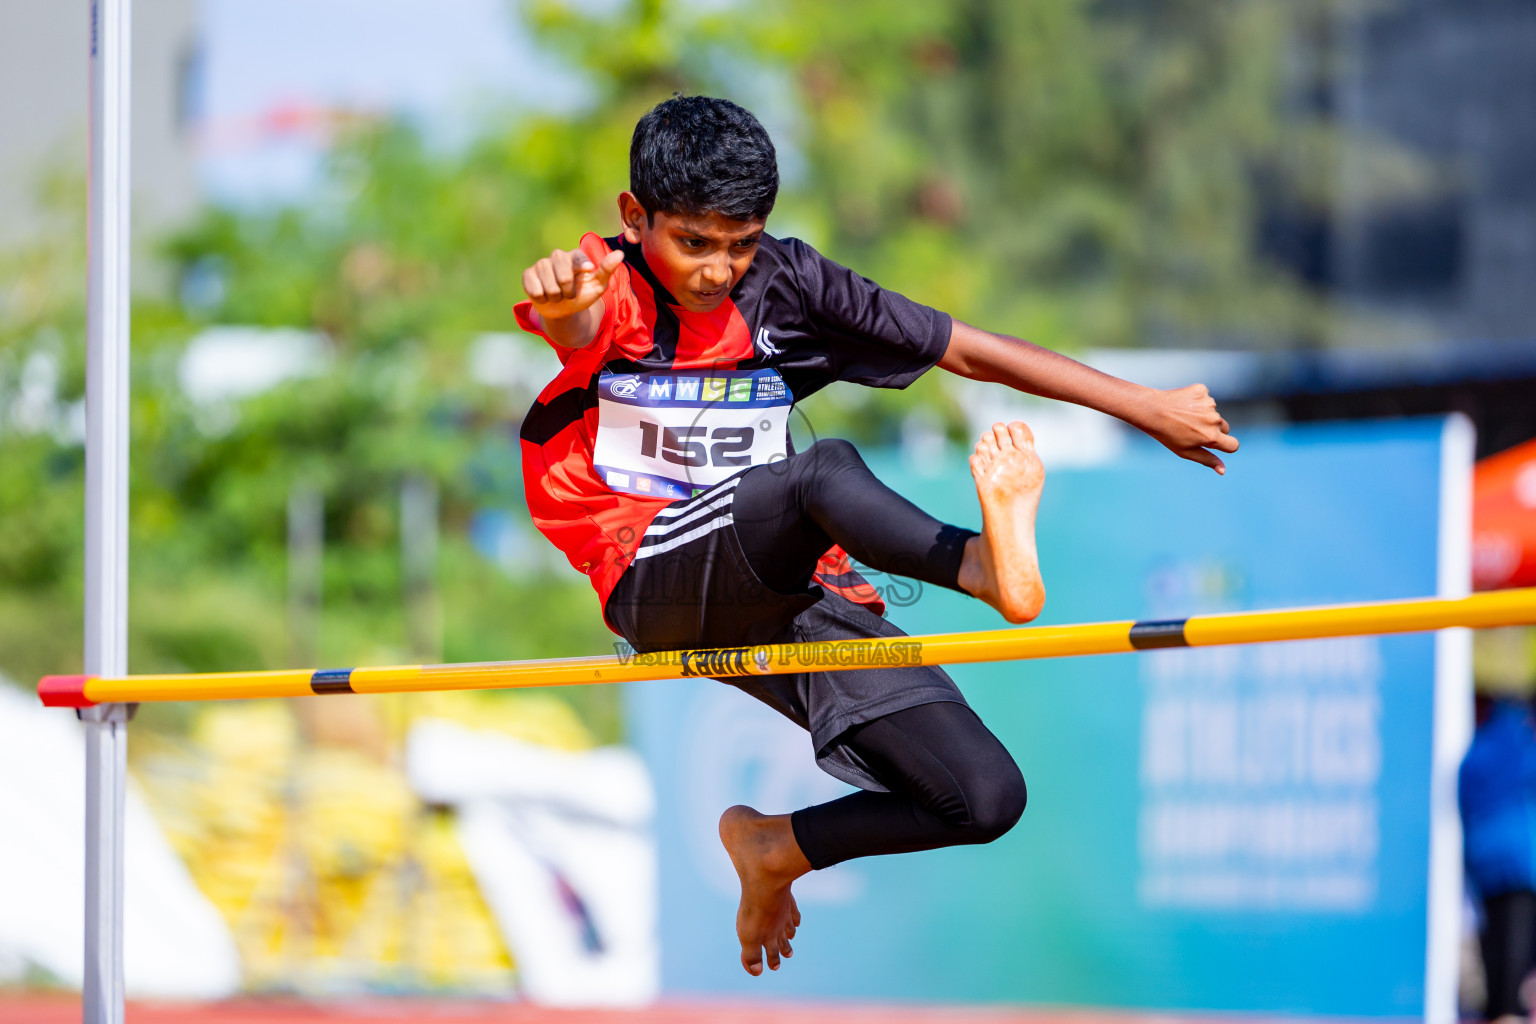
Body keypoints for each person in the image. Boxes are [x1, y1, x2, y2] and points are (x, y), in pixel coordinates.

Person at [515, 95, 1237, 977]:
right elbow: (577, 332)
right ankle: (974, 564)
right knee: (822, 472)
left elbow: (965, 349)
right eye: (693, 243)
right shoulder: (608, 279)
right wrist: (565, 308)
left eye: (739, 243)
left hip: (781, 588)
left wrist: (1143, 406)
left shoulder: (788, 284)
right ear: (636, 218)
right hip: (652, 575)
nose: (717, 269)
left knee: (980, 795)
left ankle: (776, 846)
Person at [1461, 692, 1536, 1021]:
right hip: (1520, 867)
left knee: (1499, 968)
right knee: (1512, 974)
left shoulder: (1477, 752)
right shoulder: (1521, 747)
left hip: (1488, 868)